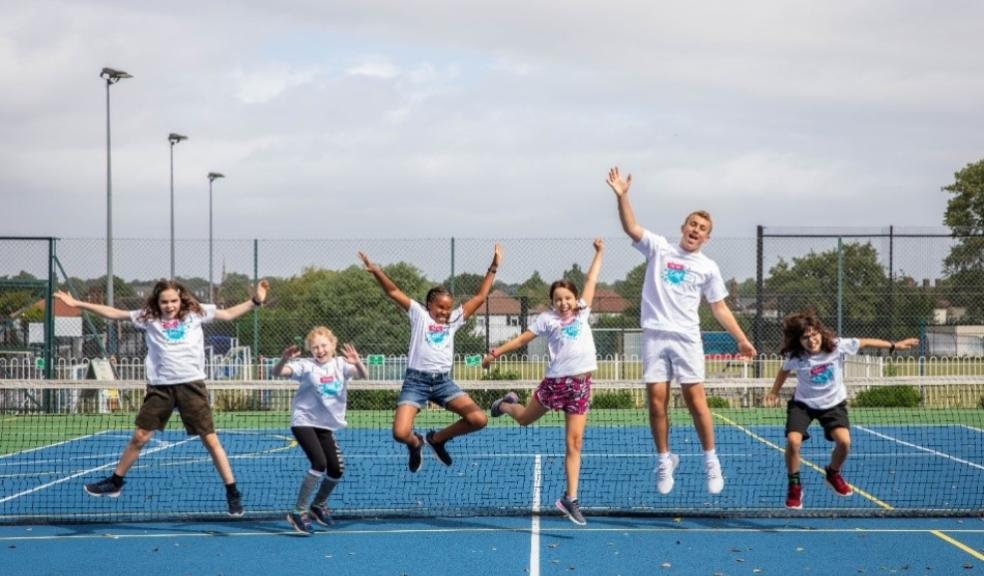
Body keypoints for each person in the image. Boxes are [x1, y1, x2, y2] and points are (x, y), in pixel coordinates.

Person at [53, 279, 269, 516]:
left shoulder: (196, 312)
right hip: (160, 388)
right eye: (164, 302)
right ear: (157, 302)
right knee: (140, 437)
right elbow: (114, 314)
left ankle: (232, 493)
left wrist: (255, 301)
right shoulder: (148, 317)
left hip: (192, 385)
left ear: (180, 298)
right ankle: (115, 483)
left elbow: (227, 314)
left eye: (173, 301)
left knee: (210, 440)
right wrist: (77, 303)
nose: (169, 306)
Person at [606, 166, 756, 495]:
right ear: (683, 227)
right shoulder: (659, 248)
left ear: (706, 237)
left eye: (702, 229)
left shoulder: (708, 268)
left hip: (687, 339)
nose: (695, 230)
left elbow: (719, 307)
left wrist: (742, 339)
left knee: (696, 402)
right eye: (692, 224)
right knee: (656, 402)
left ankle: (711, 461)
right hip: (655, 336)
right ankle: (664, 460)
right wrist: (623, 195)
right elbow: (631, 227)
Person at [484, 239, 604, 526]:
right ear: (552, 302)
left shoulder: (583, 311)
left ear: (575, 300)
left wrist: (599, 253)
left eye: (568, 298)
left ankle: (570, 499)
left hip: (581, 387)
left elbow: (591, 279)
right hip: (555, 385)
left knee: (574, 443)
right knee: (524, 419)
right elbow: (524, 339)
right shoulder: (547, 320)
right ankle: (505, 404)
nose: (564, 302)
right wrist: (496, 352)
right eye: (558, 298)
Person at [357, 244, 502, 472]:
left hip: (443, 383)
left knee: (479, 420)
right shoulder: (419, 315)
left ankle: (437, 439)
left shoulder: (454, 320)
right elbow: (394, 292)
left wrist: (493, 267)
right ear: (429, 305)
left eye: (448, 307)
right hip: (416, 382)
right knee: (400, 433)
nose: (444, 311)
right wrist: (377, 272)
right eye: (440, 307)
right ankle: (416, 443)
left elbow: (481, 296)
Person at [765, 311, 918, 509]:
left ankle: (832, 472)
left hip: (833, 404)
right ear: (798, 340)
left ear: (820, 332)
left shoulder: (836, 346)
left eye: (814, 334)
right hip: (803, 405)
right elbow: (783, 371)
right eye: (805, 337)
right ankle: (795, 486)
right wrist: (773, 392)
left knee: (844, 443)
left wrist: (894, 345)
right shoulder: (797, 356)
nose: (812, 340)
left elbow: (864, 342)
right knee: (793, 442)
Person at [271, 327, 367, 534]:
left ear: (333, 345)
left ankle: (317, 505)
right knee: (319, 463)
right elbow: (277, 372)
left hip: (325, 425)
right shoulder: (306, 366)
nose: (320, 350)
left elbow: (362, 374)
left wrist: (357, 361)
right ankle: (298, 512)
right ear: (310, 350)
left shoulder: (341, 365)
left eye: (324, 345)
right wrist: (283, 359)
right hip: (303, 421)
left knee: (336, 469)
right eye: (315, 347)